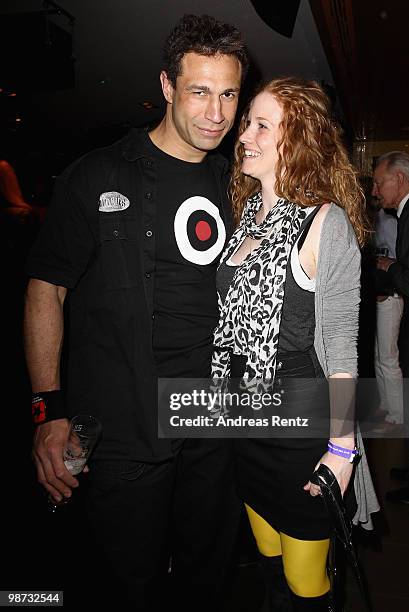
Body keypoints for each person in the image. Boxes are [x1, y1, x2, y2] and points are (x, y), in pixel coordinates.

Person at [24, 14, 248, 610]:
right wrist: (48, 410)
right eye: (200, 91)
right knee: (128, 582)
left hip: (215, 414)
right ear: (168, 87)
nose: (216, 113)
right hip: (125, 418)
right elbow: (46, 287)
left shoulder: (240, 184)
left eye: (229, 93)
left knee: (209, 573)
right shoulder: (98, 174)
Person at [212, 77, 379, 610]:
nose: (245, 135)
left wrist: (341, 450)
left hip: (299, 439)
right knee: (266, 560)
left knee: (306, 583)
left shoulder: (326, 224)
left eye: (263, 125)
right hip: (243, 424)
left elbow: (343, 348)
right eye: (248, 123)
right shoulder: (243, 222)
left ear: (299, 140)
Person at [373, 151, 409, 504]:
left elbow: (406, 271)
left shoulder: (406, 215)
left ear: (398, 180)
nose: (375, 190)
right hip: (394, 294)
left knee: (390, 358)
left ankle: (397, 415)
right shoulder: (398, 213)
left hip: (397, 293)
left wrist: (388, 269)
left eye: (380, 182)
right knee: (387, 358)